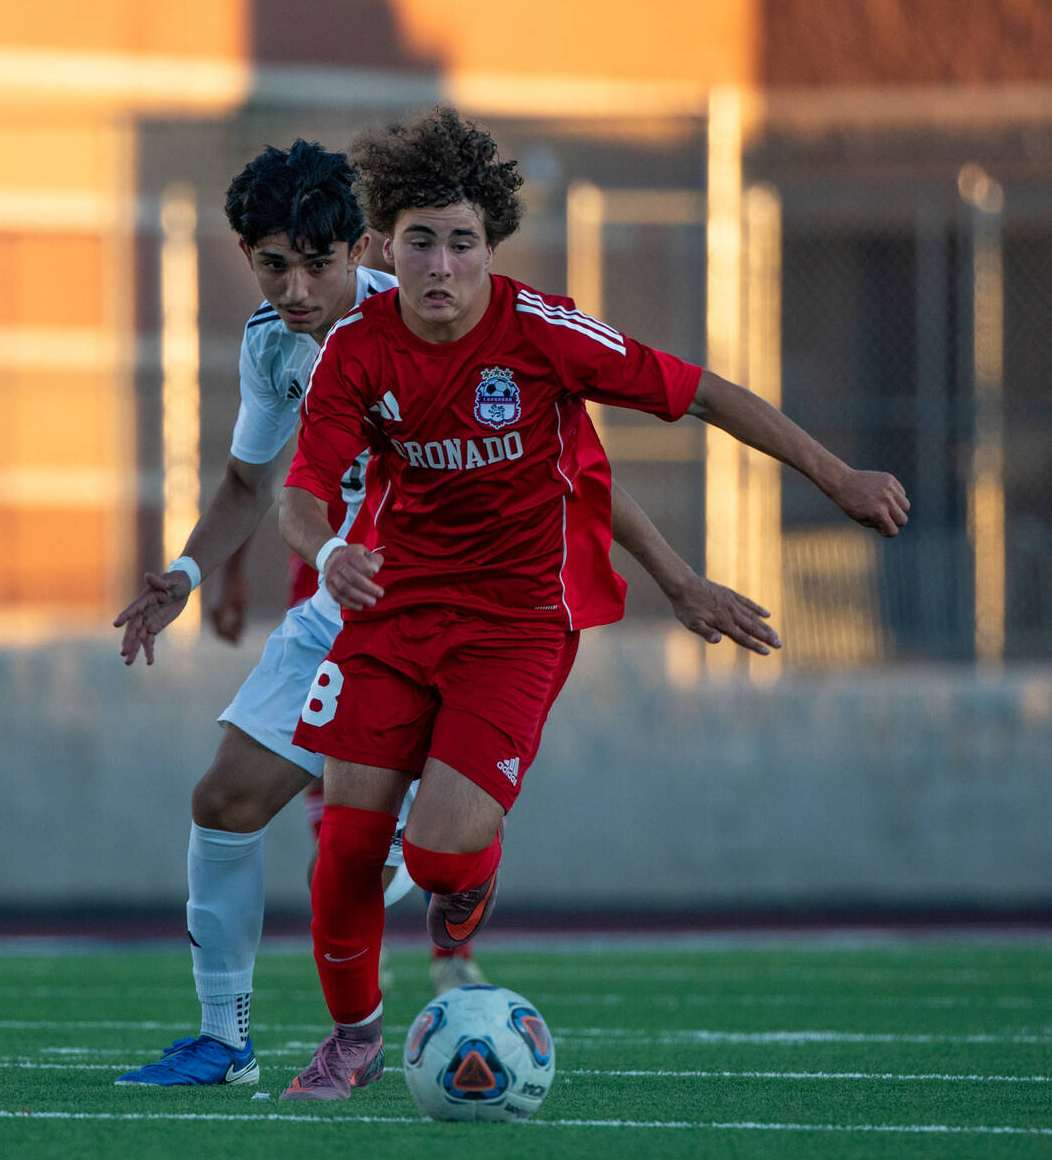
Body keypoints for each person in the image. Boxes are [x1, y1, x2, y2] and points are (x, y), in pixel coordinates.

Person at [112, 138, 781, 1089]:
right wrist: (189, 573)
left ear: (363, 249)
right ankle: (225, 1042)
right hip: (340, 598)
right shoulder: (274, 342)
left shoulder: (436, 303)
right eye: (273, 265)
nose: (297, 287)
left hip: (446, 605)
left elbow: (576, 471)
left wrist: (677, 579)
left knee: (403, 842)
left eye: (317, 261)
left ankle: (425, 896)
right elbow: (248, 483)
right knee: (222, 803)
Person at [276, 107, 909, 1101]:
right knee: (346, 845)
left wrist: (835, 476)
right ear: (379, 249)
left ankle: (463, 883)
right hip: (394, 614)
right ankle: (351, 1039)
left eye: (462, 242)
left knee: (438, 851)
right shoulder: (359, 348)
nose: (440, 265)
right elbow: (301, 488)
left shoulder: (542, 332)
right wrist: (329, 551)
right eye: (419, 242)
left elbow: (698, 394)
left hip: (518, 625)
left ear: (491, 247)